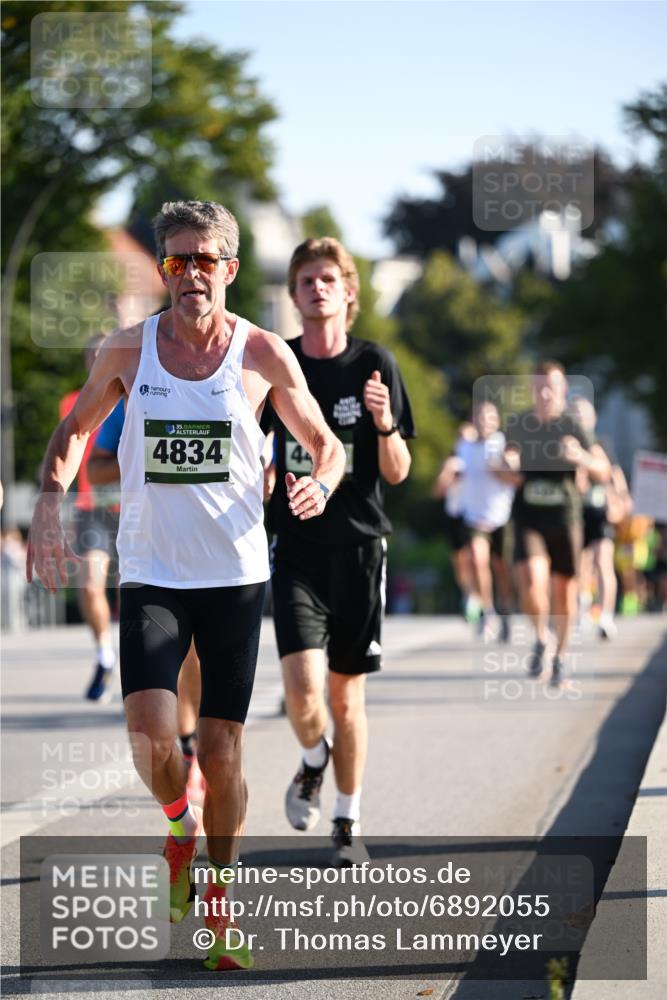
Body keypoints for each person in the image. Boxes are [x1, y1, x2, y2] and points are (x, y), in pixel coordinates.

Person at [26, 200, 345, 971]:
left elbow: (324, 444)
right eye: (176, 260)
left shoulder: (263, 353)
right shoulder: (129, 351)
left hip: (235, 575)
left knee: (224, 749)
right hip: (152, 571)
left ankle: (220, 904)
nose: (190, 273)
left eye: (205, 260)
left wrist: (321, 485)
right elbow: (74, 433)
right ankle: (179, 822)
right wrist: (47, 506)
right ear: (164, 267)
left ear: (229, 269)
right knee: (149, 737)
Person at [263, 237, 415, 865]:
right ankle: (310, 758)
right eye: (307, 281)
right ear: (294, 296)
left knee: (346, 699)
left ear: (349, 292)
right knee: (302, 695)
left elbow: (400, 471)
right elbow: (254, 449)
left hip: (358, 549)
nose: (318, 289)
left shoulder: (373, 363)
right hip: (296, 545)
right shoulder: (278, 364)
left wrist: (382, 425)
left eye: (329, 279)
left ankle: (347, 820)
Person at [88, 400, 207, 803]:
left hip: (207, 551)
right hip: (148, 556)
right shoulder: (127, 397)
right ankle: (184, 755)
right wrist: (139, 454)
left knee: (192, 657)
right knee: (157, 687)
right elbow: (95, 469)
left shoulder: (218, 376)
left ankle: (190, 742)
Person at [503, 363, 610, 687]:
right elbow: (505, 459)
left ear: (563, 390)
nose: (545, 393)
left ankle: (562, 656)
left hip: (565, 518)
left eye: (552, 387)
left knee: (565, 593)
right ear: (533, 389)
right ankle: (540, 637)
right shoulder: (519, 423)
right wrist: (507, 463)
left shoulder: (573, 425)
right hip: (529, 516)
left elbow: (602, 470)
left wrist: (581, 458)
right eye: (540, 387)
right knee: (531, 580)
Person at [58, 339, 122, 702]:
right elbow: (65, 452)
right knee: (89, 584)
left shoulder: (137, 398)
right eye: (93, 357)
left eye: (104, 356)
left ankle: (141, 668)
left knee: (134, 593)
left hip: (131, 508)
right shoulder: (71, 403)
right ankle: (104, 654)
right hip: (91, 508)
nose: (99, 362)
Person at [569, 397, 631, 639]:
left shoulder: (601, 444)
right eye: (574, 415)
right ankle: (582, 609)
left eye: (583, 415)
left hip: (600, 511)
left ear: (593, 418)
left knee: (603, 561)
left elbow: (615, 473)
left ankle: (606, 616)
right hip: (575, 512)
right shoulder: (567, 445)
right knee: (579, 565)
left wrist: (623, 499)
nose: (579, 419)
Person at [457, 401, 515, 641]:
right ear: (474, 419)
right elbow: (456, 469)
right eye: (480, 416)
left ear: (497, 421)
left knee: (502, 569)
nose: (484, 421)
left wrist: (501, 469)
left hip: (501, 516)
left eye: (489, 417)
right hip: (474, 517)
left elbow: (515, 477)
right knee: (478, 559)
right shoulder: (465, 446)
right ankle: (487, 611)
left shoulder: (502, 445)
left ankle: (506, 611)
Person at [432, 422, 481, 623]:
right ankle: (468, 594)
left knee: (477, 557)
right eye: (462, 437)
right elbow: (437, 492)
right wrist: (447, 475)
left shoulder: (478, 460)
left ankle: (479, 599)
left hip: (473, 515)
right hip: (454, 515)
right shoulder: (451, 462)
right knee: (460, 561)